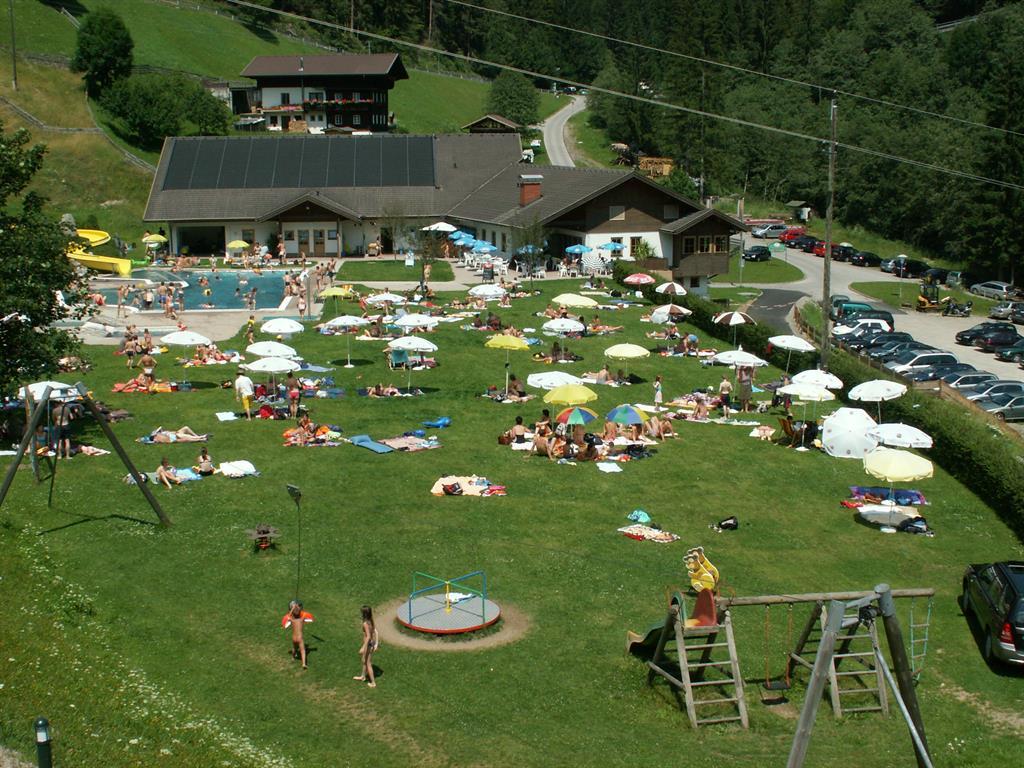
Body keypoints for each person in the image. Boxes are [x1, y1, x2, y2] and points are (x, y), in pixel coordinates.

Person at [282, 600, 314, 670]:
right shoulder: (302, 619)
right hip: (300, 638)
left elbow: (289, 616)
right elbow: (303, 613)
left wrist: (293, 608)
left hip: (294, 638)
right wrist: (298, 607)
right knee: (303, 650)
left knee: (294, 648)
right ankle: (304, 664)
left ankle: (293, 657)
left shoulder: (292, 620)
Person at [354, 605, 378, 687]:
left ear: (364, 614)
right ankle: (363, 676)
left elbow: (368, 637)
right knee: (365, 661)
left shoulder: (365, 624)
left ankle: (373, 683)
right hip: (371, 644)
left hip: (368, 645)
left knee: (367, 663)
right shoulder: (371, 621)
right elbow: (374, 632)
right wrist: (375, 644)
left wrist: (363, 647)